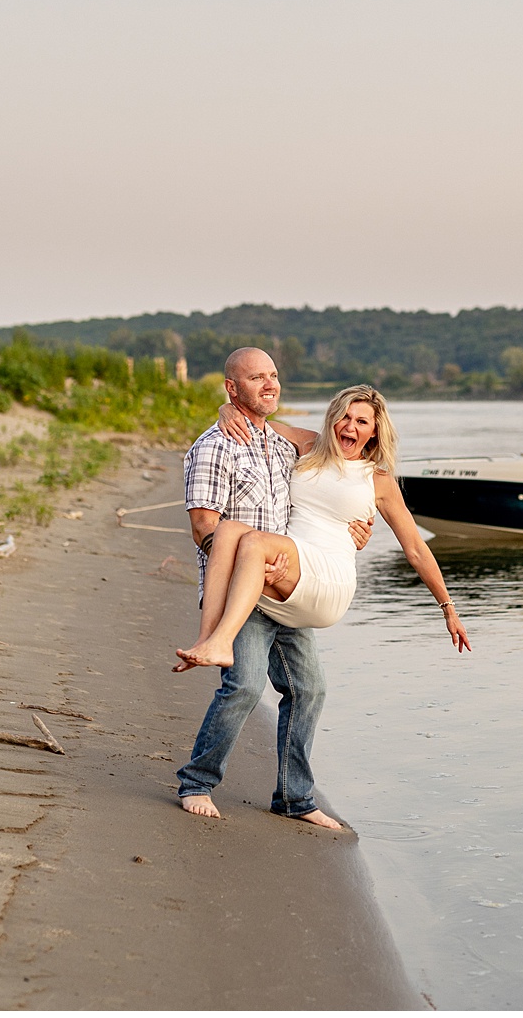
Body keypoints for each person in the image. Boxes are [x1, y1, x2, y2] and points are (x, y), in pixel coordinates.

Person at [174, 347, 371, 829]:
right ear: (232, 388)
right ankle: (197, 782)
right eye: (255, 378)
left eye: (274, 375)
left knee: (309, 690)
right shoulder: (214, 445)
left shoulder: (284, 447)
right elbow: (204, 528)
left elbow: (325, 491)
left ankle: (294, 798)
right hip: (240, 594)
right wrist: (249, 553)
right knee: (242, 685)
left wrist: (352, 532)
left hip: (286, 589)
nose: (269, 384)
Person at [176, 383, 470, 674]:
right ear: (333, 418)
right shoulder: (308, 445)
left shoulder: (377, 479)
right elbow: (259, 424)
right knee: (226, 531)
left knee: (253, 542)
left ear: (374, 431)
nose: (350, 426)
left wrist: (448, 608)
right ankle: (205, 641)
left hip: (330, 576)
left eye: (361, 421)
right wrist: (226, 409)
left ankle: (223, 642)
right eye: (344, 416)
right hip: (289, 566)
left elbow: (416, 549)